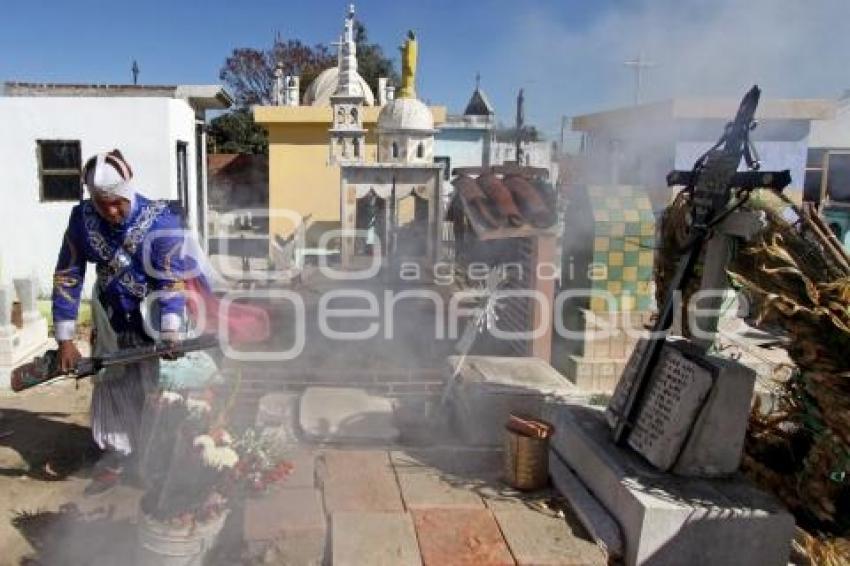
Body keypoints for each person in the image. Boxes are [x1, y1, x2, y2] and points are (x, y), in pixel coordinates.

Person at [52, 149, 188, 493]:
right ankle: (116, 456)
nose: (110, 211)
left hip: (153, 319)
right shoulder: (81, 220)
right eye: (102, 203)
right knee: (113, 387)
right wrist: (65, 339)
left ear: (128, 191)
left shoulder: (162, 222)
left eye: (117, 203)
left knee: (155, 391)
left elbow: (170, 280)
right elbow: (69, 274)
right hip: (111, 317)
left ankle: (155, 460)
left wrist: (170, 331)